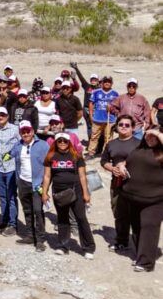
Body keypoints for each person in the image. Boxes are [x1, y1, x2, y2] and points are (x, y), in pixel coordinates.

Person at [41, 132, 96, 258]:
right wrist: (44, 192)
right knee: (62, 218)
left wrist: (86, 193)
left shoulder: (76, 156)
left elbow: (82, 176)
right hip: (59, 192)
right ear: (55, 142)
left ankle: (88, 248)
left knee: (81, 218)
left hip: (76, 190)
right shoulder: (50, 156)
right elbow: (47, 176)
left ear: (69, 142)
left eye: (65, 141)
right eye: (59, 141)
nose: (62, 143)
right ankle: (63, 245)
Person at [122, 129, 163, 272]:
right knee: (137, 228)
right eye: (147, 136)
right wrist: (121, 165)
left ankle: (146, 263)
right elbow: (127, 162)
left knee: (149, 227)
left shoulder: (161, 154)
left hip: (155, 199)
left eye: (154, 137)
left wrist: (157, 133)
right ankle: (141, 255)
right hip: (133, 197)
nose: (150, 138)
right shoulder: (138, 150)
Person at [99, 114, 139, 251]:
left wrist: (125, 166)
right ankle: (122, 241)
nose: (123, 127)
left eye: (127, 125)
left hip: (135, 184)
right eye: (121, 124)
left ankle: (140, 246)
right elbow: (103, 161)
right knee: (119, 213)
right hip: (117, 183)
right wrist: (111, 168)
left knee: (135, 215)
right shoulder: (111, 144)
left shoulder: (139, 144)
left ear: (133, 128)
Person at [14, 121, 50, 250]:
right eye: (23, 131)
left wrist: (46, 185)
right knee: (27, 210)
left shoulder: (43, 145)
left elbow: (49, 164)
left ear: (33, 131)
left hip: (37, 183)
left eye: (28, 131)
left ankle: (40, 239)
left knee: (38, 210)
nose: (26, 134)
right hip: (23, 182)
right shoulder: (17, 145)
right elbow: (9, 155)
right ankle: (30, 235)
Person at [0, 107, 21, 236]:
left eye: (3, 115)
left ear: (7, 116)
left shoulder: (15, 129)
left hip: (12, 168)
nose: (1, 117)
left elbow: (22, 143)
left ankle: (13, 224)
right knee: (2, 197)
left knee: (11, 196)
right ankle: (4, 220)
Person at [87, 76, 119, 157]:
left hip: (110, 120)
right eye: (105, 82)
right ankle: (91, 152)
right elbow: (91, 103)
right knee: (94, 136)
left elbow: (118, 106)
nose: (107, 83)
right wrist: (91, 115)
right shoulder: (96, 92)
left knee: (108, 138)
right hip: (97, 119)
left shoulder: (115, 94)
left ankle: (106, 154)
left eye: (109, 82)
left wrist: (112, 109)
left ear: (112, 83)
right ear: (102, 83)